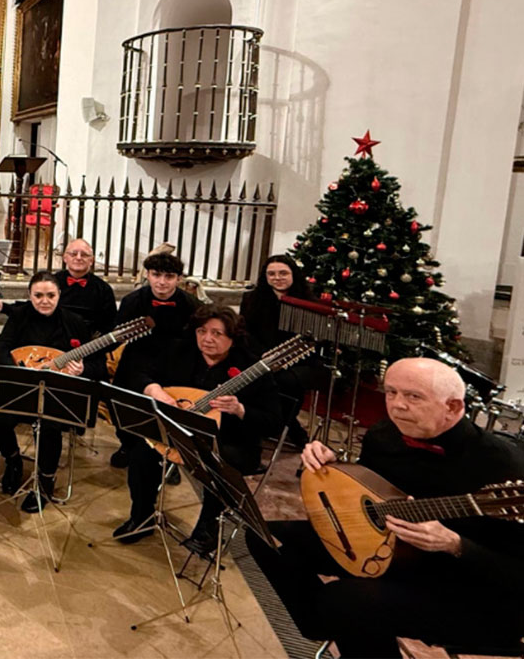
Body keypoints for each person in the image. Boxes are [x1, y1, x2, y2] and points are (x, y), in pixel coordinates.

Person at [248, 358, 524, 658]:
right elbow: (369, 491)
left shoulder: (504, 466)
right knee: (262, 535)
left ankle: (334, 620)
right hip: (395, 553)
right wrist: (334, 468)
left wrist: (456, 544)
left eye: (414, 396)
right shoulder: (384, 434)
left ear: (453, 407)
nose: (397, 405)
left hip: (472, 589)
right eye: (391, 392)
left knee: (346, 601)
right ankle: (317, 624)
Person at [112, 305, 279, 548]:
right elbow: (140, 375)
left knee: (220, 462)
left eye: (217, 333)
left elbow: (273, 422)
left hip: (230, 439)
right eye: (202, 331)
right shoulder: (179, 350)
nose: (207, 339)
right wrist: (154, 389)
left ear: (233, 338)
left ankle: (207, 527)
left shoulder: (252, 368)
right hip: (177, 432)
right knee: (141, 451)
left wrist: (240, 410)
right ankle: (142, 516)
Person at [0, 272, 106, 512]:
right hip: (23, 389)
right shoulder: (19, 316)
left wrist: (82, 369)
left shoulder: (74, 322)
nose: (44, 301)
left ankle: (45, 480)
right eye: (38, 295)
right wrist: (21, 371)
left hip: (58, 394)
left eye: (50, 295)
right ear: (29, 295)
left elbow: (99, 365)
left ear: (59, 295)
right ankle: (13, 460)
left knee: (50, 424)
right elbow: (0, 350)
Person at [109, 251, 198, 469]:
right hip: (136, 362)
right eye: (156, 275)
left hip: (174, 365)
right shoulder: (132, 301)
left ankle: (166, 456)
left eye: (169, 276)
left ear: (179, 279)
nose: (162, 282)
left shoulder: (192, 305)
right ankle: (128, 445)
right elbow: (117, 336)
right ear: (147, 275)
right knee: (121, 406)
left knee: (169, 412)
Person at [240, 253, 319, 445]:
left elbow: (311, 340)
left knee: (287, 381)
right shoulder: (251, 299)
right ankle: (276, 423)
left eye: (283, 273)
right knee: (254, 377)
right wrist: (264, 356)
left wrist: (282, 360)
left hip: (298, 361)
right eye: (272, 274)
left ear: (293, 274)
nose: (277, 278)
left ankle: (285, 423)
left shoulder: (309, 302)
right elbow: (245, 332)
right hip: (260, 357)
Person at [54, 239, 118, 337]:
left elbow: (109, 324)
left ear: (91, 260)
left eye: (84, 255)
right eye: (73, 254)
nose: (78, 258)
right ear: (65, 258)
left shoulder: (103, 289)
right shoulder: (51, 283)